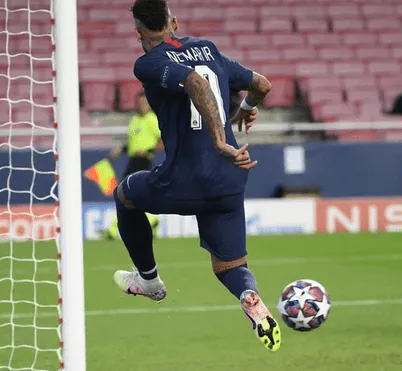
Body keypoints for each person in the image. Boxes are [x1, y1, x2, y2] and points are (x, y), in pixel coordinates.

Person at [112, 0, 280, 352]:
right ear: (174, 21)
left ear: (139, 32)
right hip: (230, 180)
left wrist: (219, 140)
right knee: (231, 266)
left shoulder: (148, 63)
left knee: (125, 196)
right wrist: (247, 109)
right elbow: (262, 84)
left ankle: (149, 282)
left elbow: (194, 83)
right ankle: (249, 296)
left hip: (184, 181)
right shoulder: (208, 49)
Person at [104, 91, 162, 239]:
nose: (142, 106)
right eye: (140, 103)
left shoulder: (152, 120)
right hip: (133, 160)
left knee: (124, 194)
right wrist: (121, 150)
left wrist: (148, 150)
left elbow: (163, 139)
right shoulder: (135, 120)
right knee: (130, 196)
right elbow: (132, 143)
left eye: (144, 103)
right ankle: (152, 220)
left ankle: (113, 230)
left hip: (143, 161)